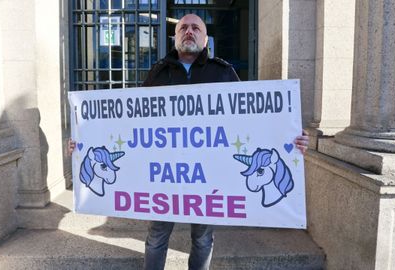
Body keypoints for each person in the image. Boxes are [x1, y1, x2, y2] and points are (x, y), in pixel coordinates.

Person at [68, 13, 309, 270]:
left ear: (205, 39)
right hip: (163, 175)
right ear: (176, 37)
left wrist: (289, 138)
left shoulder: (223, 72)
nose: (189, 32)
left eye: (196, 28)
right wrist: (85, 141)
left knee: (203, 238)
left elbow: (251, 120)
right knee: (157, 236)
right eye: (183, 28)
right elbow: (130, 121)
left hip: (209, 176)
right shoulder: (158, 73)